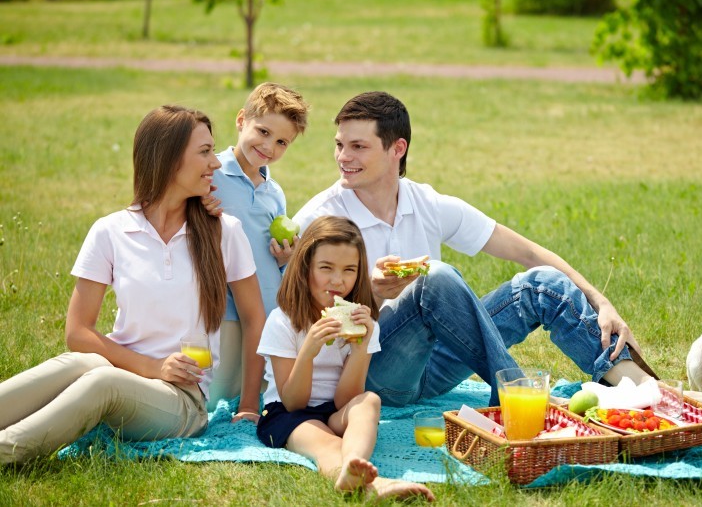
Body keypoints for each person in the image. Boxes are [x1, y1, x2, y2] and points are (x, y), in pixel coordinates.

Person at [293, 91, 702, 409]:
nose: (342, 157)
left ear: (397, 149)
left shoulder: (426, 203)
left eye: (357, 146)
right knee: (437, 280)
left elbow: (529, 253)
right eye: (339, 145)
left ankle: (646, 390)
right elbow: (294, 305)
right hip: (373, 374)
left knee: (541, 286)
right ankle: (520, 397)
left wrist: (602, 301)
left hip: (437, 364)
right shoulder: (321, 217)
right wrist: (371, 293)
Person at [0, 105, 266, 466]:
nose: (215, 163)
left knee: (100, 382)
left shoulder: (224, 232)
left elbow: (254, 318)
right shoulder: (110, 231)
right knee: (75, 364)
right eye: (204, 152)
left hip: (182, 399)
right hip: (121, 371)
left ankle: (7, 452)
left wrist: (249, 406)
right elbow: (78, 332)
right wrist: (153, 367)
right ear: (169, 159)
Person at [255, 216, 434, 501]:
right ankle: (373, 485)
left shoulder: (364, 323)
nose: (338, 281)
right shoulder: (283, 321)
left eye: (349, 270)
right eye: (326, 268)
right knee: (325, 443)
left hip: (333, 410)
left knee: (370, 401)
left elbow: (345, 400)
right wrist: (309, 350)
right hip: (286, 413)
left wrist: (362, 347)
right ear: (305, 268)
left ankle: (354, 462)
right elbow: (293, 402)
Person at [203, 82, 309, 412]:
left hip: (271, 309)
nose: (269, 146)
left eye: (281, 142)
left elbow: (274, 255)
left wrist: (285, 257)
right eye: (262, 131)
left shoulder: (274, 193)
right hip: (227, 310)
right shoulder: (211, 175)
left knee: (270, 390)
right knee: (218, 394)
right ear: (241, 120)